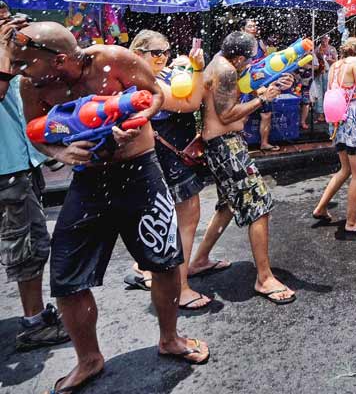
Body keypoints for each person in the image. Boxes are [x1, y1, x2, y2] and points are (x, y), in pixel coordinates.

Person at [3, 22, 209, 392]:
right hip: (88, 181)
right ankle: (89, 359)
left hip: (141, 172)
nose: (19, 71)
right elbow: (38, 130)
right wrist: (62, 152)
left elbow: (156, 95)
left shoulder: (114, 60)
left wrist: (138, 120)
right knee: (66, 276)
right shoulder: (31, 85)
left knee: (164, 262)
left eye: (25, 63)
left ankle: (170, 338)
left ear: (60, 59)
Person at [189, 31, 296, 305]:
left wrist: (268, 87)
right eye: (247, 60)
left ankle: (200, 260)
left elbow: (233, 95)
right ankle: (264, 278)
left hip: (220, 145)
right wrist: (263, 99)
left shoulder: (219, 62)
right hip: (225, 146)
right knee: (260, 204)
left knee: (227, 206)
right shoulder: (226, 71)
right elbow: (227, 114)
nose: (249, 64)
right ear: (237, 57)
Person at [125, 30, 222, 311]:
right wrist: (199, 68)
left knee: (161, 217)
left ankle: (145, 269)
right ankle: (180, 288)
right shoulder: (143, 82)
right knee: (186, 219)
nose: (164, 57)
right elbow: (190, 103)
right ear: (137, 54)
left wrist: (189, 67)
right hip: (168, 158)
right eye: (156, 53)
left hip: (165, 156)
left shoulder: (157, 73)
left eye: (166, 50)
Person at [0, 11, 69, 353]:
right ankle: (34, 323)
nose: (9, 23)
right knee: (26, 243)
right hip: (6, 168)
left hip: (20, 162)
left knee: (29, 238)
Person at [312, 37, 356, 234]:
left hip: (338, 120)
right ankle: (351, 222)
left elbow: (340, 89)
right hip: (353, 119)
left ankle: (320, 208)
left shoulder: (336, 65)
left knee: (345, 170)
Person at [242, 18, 280, 152]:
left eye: (254, 26)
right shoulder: (240, 45)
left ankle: (264, 143)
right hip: (248, 84)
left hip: (262, 82)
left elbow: (269, 60)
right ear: (243, 29)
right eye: (250, 26)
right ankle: (238, 143)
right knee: (244, 114)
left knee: (267, 114)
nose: (253, 28)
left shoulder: (261, 44)